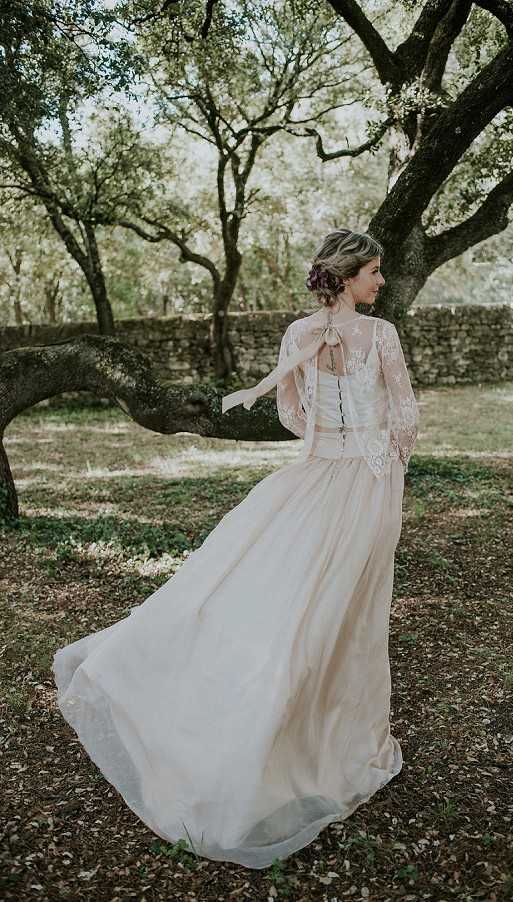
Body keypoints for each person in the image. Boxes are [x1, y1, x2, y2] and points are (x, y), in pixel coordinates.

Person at [52, 228, 419, 870]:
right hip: (364, 483)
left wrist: (330, 430)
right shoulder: (380, 336)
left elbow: (291, 415)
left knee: (285, 595)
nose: (380, 282)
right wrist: (384, 461)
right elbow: (405, 417)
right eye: (374, 272)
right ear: (351, 275)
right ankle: (315, 735)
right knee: (346, 608)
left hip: (311, 480)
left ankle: (255, 713)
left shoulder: (299, 335)